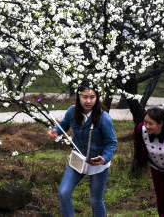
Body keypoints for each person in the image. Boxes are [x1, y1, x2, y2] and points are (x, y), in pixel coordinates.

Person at [47, 81, 117, 217]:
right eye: (85, 97)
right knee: (63, 192)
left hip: (98, 163)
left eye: (92, 97)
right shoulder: (72, 111)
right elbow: (63, 126)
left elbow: (112, 142)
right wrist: (55, 131)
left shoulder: (104, 118)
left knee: (96, 200)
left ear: (97, 98)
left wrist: (104, 158)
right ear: (79, 97)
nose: (88, 100)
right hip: (77, 160)